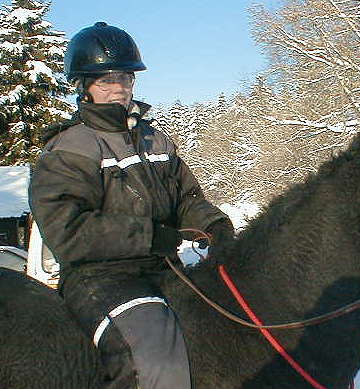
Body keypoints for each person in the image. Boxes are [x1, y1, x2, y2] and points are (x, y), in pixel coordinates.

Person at [29, 22, 234, 389]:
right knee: (157, 362)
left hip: (163, 268)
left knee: (230, 329)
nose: (119, 89)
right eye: (106, 80)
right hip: (100, 278)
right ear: (84, 87)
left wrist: (213, 225)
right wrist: (148, 236)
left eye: (125, 78)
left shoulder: (155, 139)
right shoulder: (69, 149)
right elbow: (67, 231)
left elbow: (186, 198)